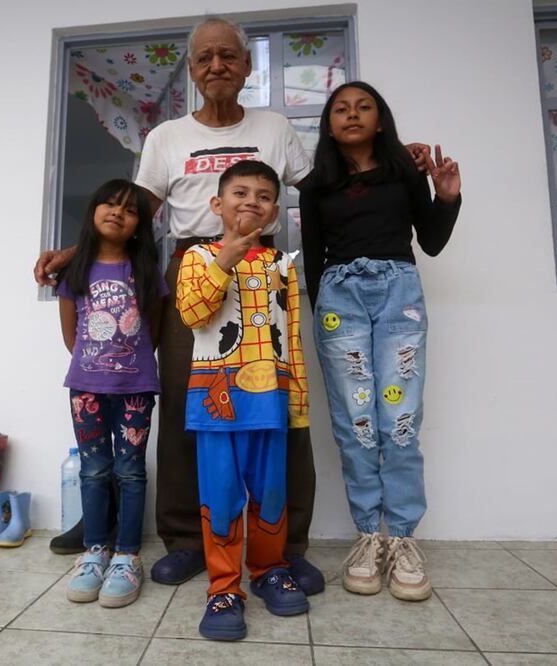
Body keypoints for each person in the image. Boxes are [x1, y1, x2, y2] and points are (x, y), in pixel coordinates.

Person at [34, 16, 429, 591]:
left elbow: (325, 185)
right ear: (192, 71)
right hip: (191, 266)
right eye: (203, 58)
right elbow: (136, 207)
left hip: (262, 272)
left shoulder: (273, 126)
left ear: (246, 66)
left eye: (227, 55)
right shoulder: (166, 136)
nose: (216, 65)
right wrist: (81, 249)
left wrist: (398, 156)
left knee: (282, 404)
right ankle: (188, 539)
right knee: (181, 405)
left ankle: (286, 544)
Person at [300, 81, 462, 602]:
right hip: (338, 301)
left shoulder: (404, 173)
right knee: (357, 423)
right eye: (341, 109)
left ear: (381, 119)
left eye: (363, 107)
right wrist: (320, 317)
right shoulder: (314, 187)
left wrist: (448, 195)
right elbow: (312, 258)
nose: (352, 115)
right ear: (328, 124)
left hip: (400, 296)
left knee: (401, 421)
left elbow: (431, 242)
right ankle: (369, 537)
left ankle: (404, 541)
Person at [177, 160, 309, 641]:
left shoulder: (281, 265)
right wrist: (225, 259)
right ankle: (223, 587)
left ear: (274, 212)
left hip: (269, 400)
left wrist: (297, 396)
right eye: (240, 192)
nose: (251, 201)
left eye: (263, 195)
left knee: (272, 493)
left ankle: (270, 569)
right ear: (217, 204)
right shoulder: (196, 257)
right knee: (221, 497)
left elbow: (290, 336)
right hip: (214, 402)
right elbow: (192, 313)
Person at [57, 179, 167, 609]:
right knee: (94, 470)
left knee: (131, 471)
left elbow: (153, 332)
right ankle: (95, 550)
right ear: (93, 212)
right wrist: (95, 368)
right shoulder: (75, 271)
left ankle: (126, 556)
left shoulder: (145, 272)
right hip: (86, 388)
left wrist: (129, 366)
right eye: (109, 203)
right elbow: (71, 335)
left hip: (137, 388)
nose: (117, 212)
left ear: (140, 226)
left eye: (130, 209)